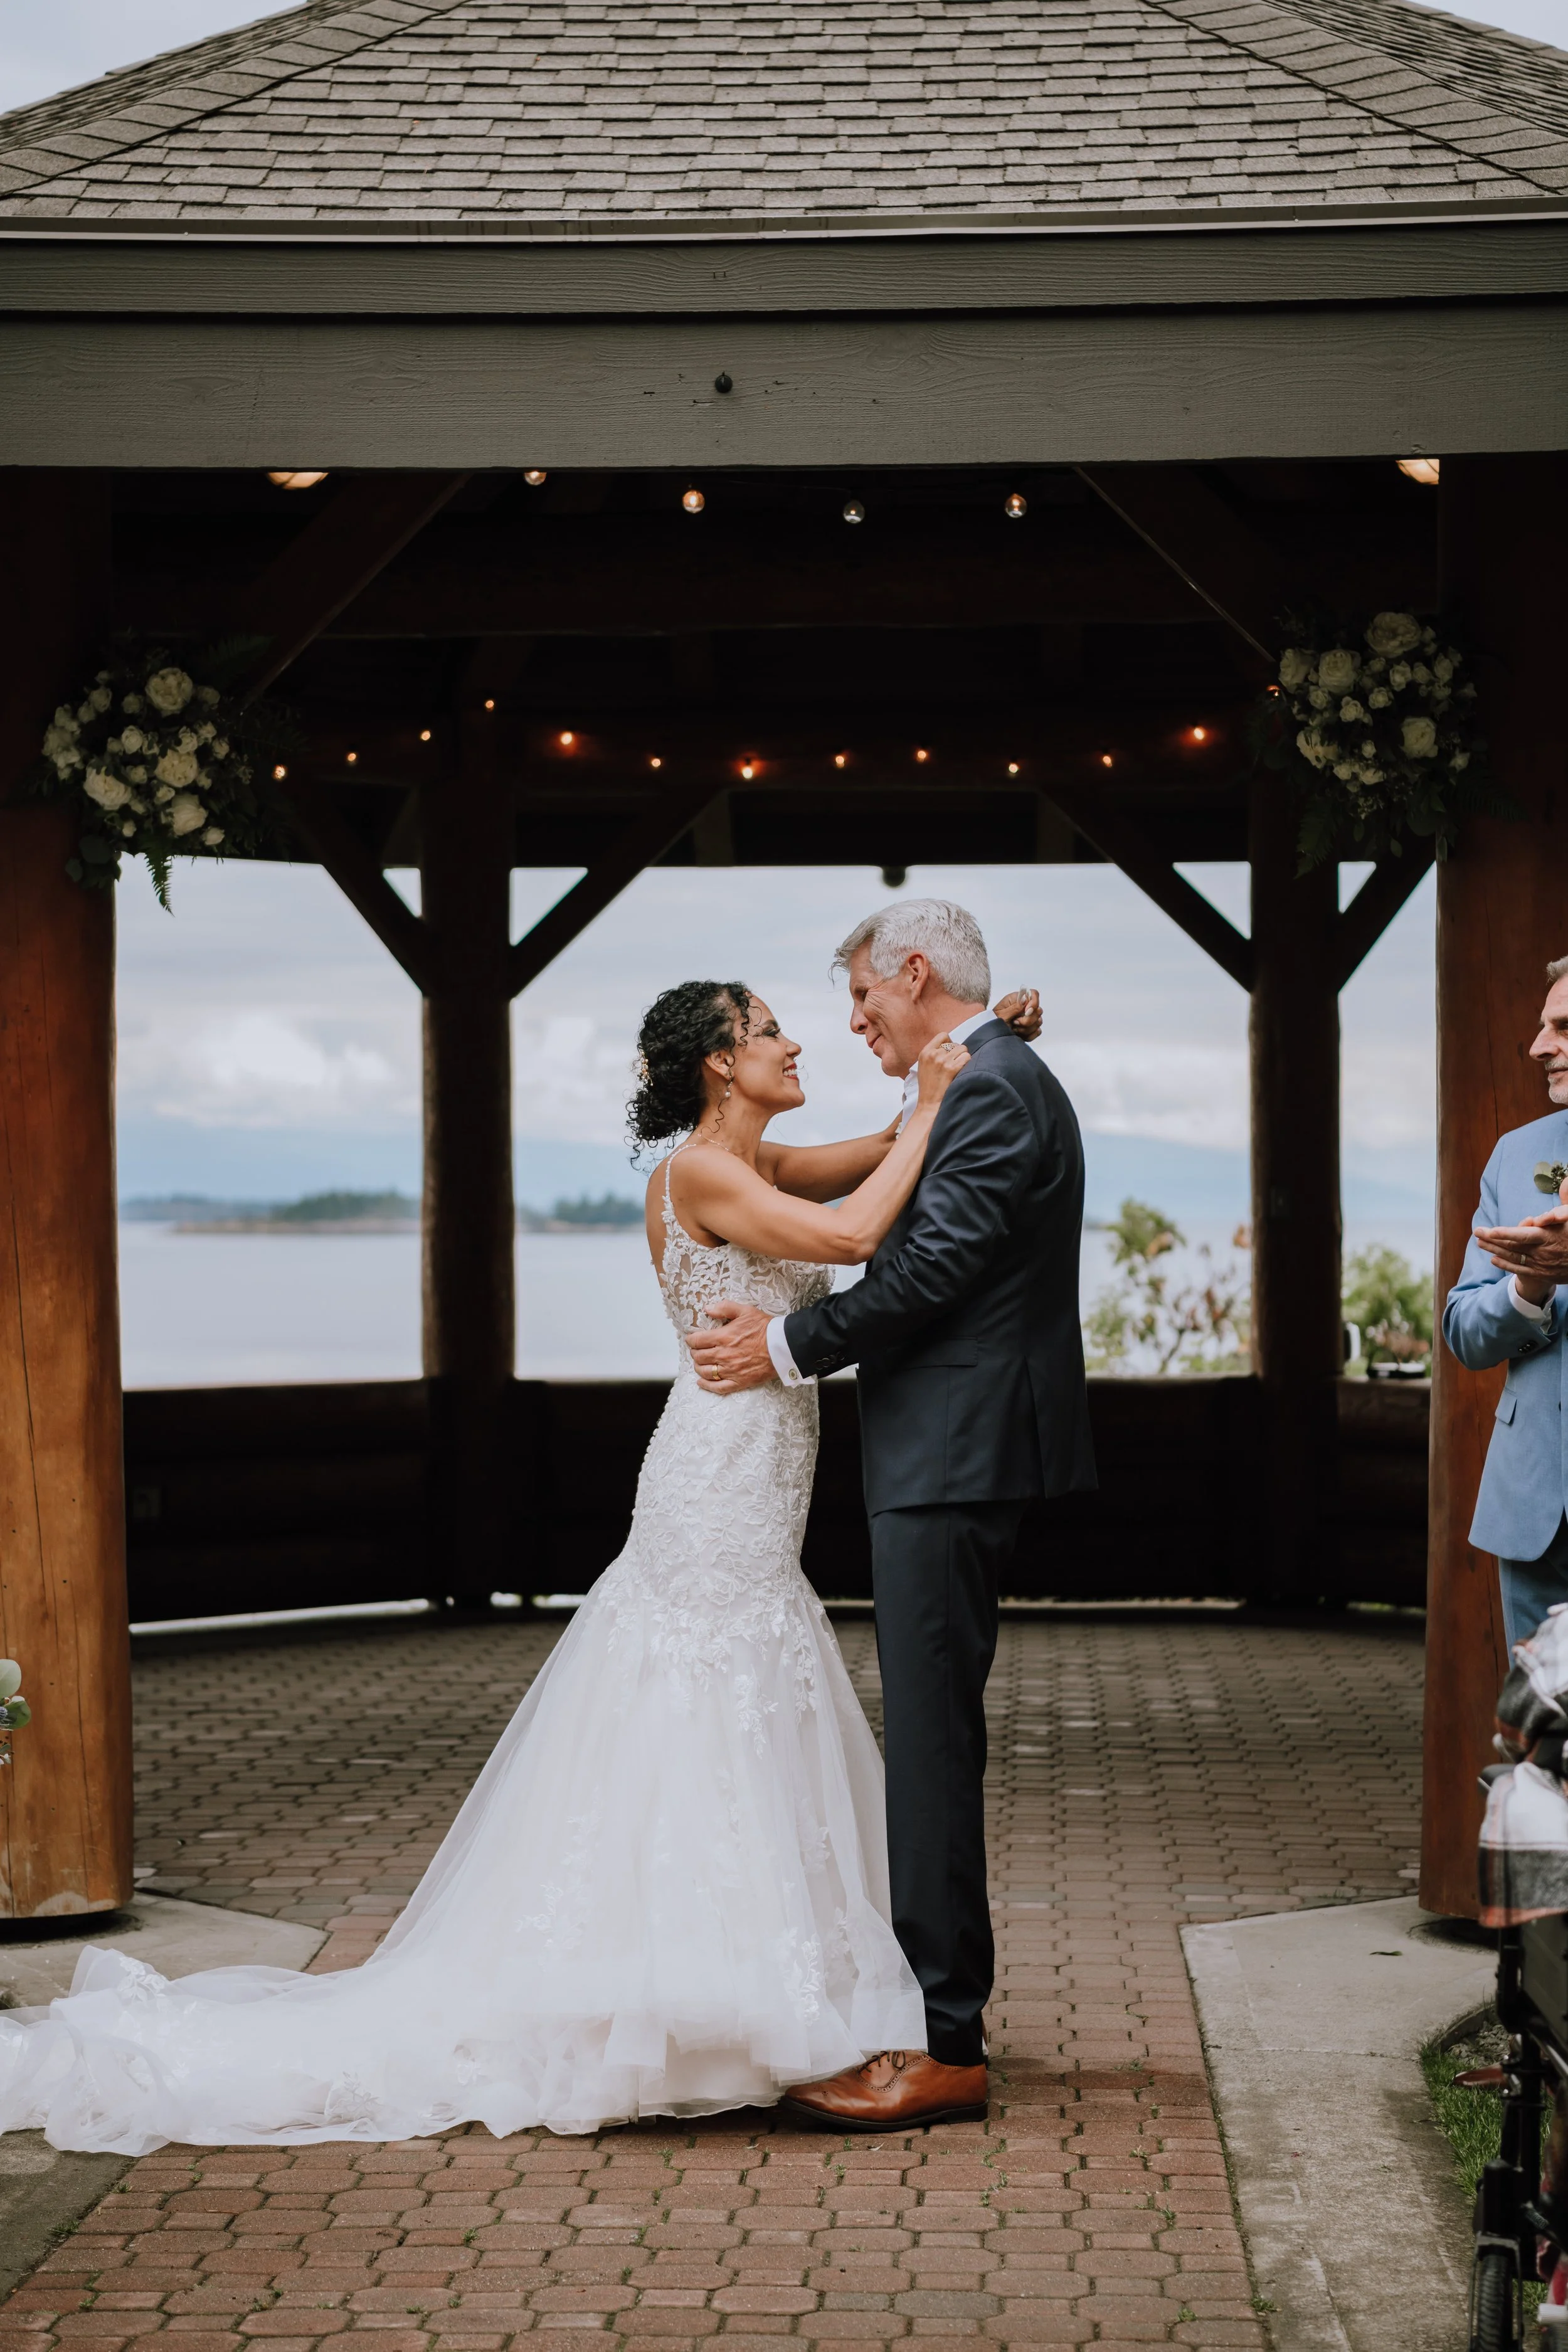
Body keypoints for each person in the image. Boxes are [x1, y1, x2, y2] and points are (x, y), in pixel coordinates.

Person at [0, 973, 1040, 2154]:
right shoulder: (702, 1174)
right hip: (713, 1480)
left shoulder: (761, 1163)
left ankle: (728, 1987)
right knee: (704, 1701)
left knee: (748, 1704)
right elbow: (857, 1235)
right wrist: (947, 1082)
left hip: (760, 1478)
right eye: (768, 1031)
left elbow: (886, 1151)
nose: (796, 1042)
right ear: (717, 1061)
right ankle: (694, 2003)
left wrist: (968, 1052)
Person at [686, 900, 1094, 2131]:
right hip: (950, 1447)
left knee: (927, 1747)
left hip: (954, 1451)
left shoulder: (987, 1090)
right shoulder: (975, 1079)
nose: (846, 1021)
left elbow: (929, 1271)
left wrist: (785, 1343)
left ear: (913, 974)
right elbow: (888, 1191)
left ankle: (943, 2043)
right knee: (929, 1739)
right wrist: (941, 1071)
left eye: (860, 998)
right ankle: (927, 2017)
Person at [1444, 954, 1568, 1656]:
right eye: (1540, 1027)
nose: (1538, 1046)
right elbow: (1463, 1329)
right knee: (1538, 1746)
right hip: (1531, 1509)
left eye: (1562, 1027)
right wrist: (1527, 1289)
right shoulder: (1514, 1154)